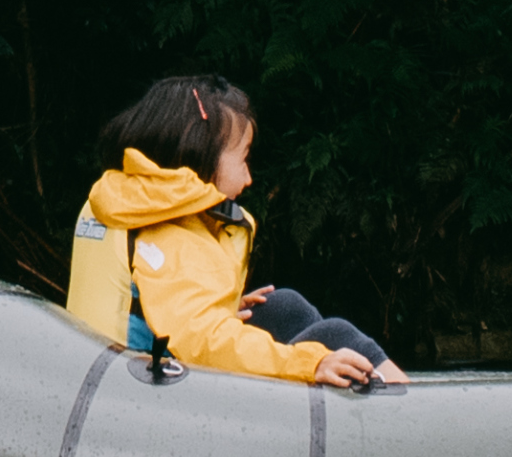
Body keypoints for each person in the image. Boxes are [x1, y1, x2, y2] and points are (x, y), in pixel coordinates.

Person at [65, 73, 397, 384]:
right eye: (243, 159)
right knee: (335, 336)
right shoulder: (169, 229)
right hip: (144, 391)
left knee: (282, 306)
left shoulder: (131, 198)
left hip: (114, 376)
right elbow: (204, 341)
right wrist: (309, 363)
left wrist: (221, 306)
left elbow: (158, 299)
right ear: (200, 157)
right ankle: (412, 415)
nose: (248, 178)